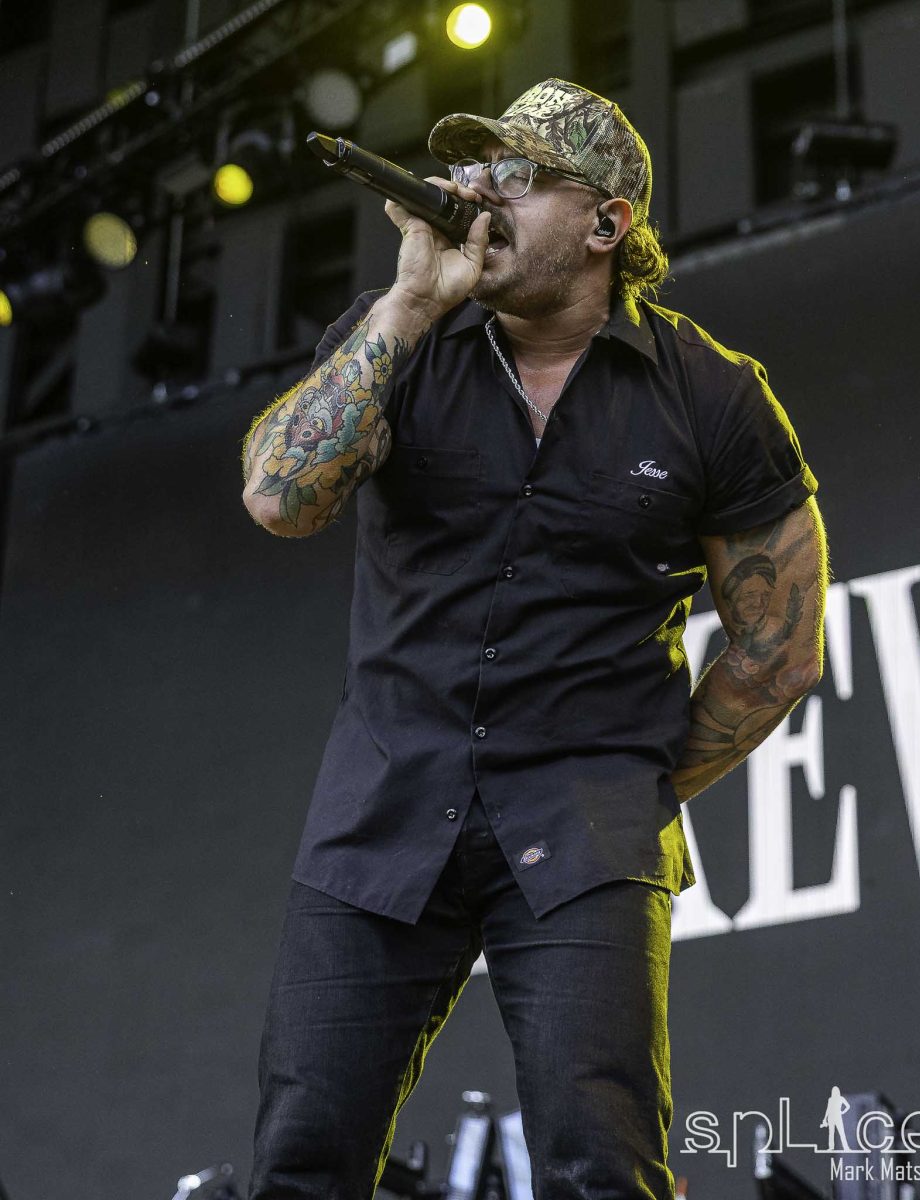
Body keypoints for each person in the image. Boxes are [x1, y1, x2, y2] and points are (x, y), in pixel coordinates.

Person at [241, 77, 828, 1200]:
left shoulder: (712, 397)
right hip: (382, 814)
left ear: (606, 221)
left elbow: (779, 650)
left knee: (602, 1167)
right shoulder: (395, 338)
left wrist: (629, 783)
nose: (476, 192)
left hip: (583, 836)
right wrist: (407, 308)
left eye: (517, 174)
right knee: (302, 1159)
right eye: (472, 169)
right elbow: (278, 499)